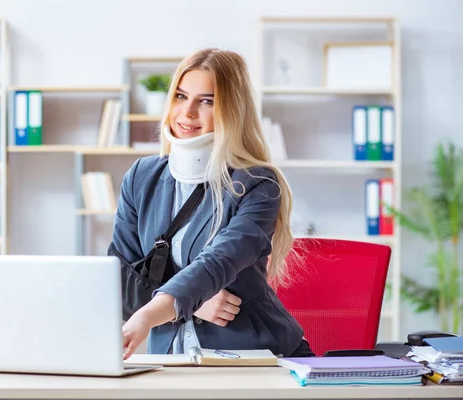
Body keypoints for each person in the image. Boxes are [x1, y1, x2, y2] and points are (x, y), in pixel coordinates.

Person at [110, 48, 314, 360]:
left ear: (232, 111)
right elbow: (120, 277)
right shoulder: (141, 177)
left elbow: (217, 263)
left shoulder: (258, 185)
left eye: (207, 101)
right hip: (170, 358)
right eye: (180, 96)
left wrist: (158, 310)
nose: (187, 112)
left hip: (257, 357)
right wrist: (193, 304)